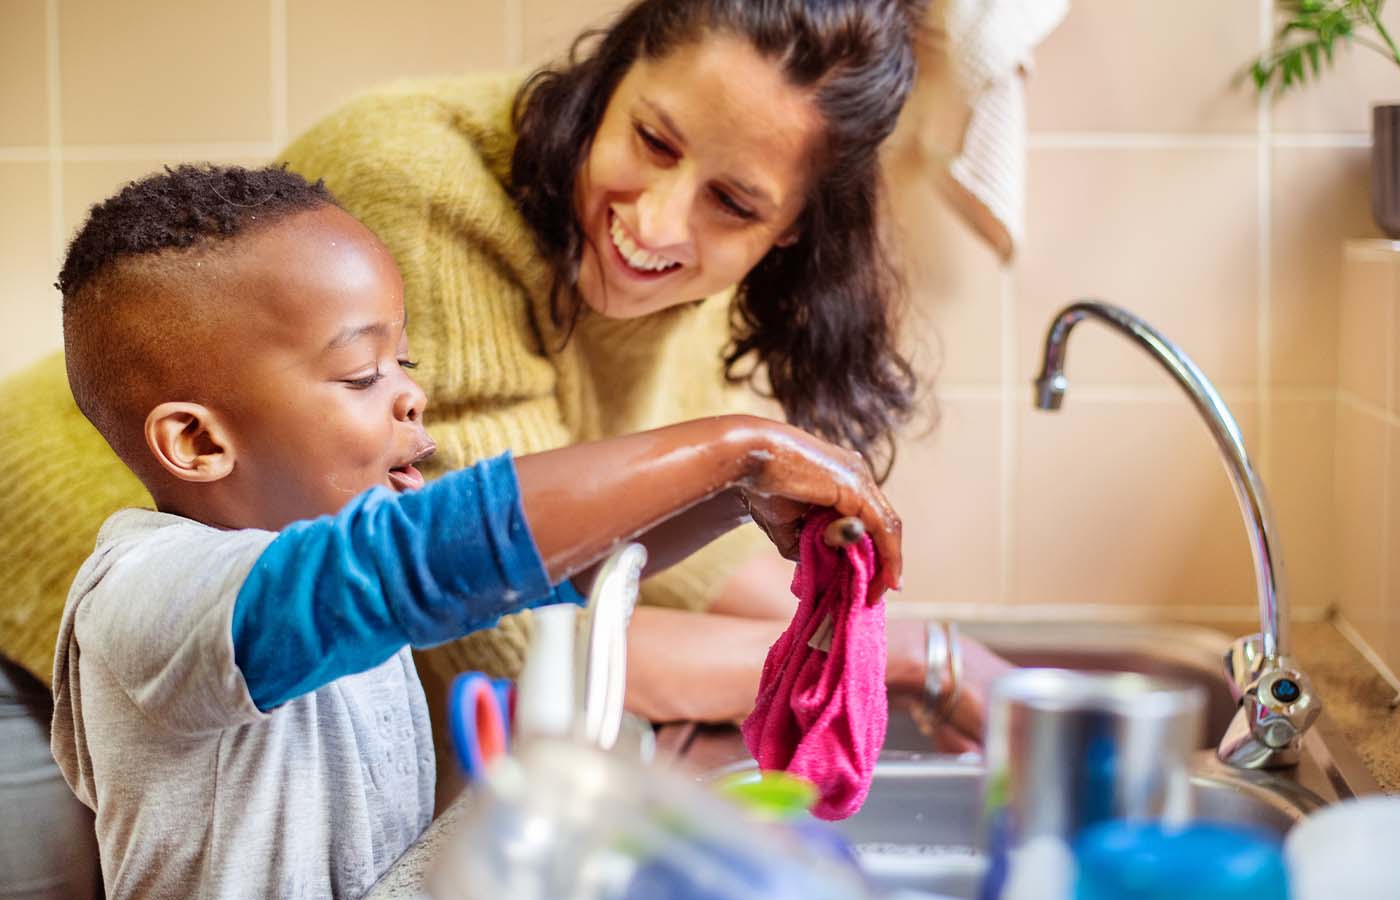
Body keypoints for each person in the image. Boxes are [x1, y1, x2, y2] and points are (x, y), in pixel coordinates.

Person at [50, 163, 903, 898]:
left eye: (404, 365)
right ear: (198, 441)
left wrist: (734, 498)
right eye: (359, 374)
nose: (410, 396)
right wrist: (729, 449)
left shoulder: (329, 550)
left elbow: (537, 566)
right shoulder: (147, 595)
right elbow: (420, 560)